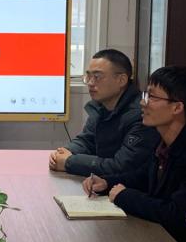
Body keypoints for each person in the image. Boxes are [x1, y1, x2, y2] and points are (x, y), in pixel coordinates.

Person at [82, 66, 186, 242]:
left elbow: (176, 214)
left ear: (177, 107)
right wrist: (107, 182)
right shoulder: (165, 138)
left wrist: (125, 196)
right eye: (145, 95)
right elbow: (144, 176)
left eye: (152, 97)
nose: (143, 102)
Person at [49, 49, 158, 177]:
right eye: (88, 76)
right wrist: (66, 152)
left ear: (121, 80)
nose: (90, 83)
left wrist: (69, 161)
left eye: (97, 77)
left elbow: (121, 166)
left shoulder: (141, 115)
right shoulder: (100, 106)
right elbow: (87, 140)